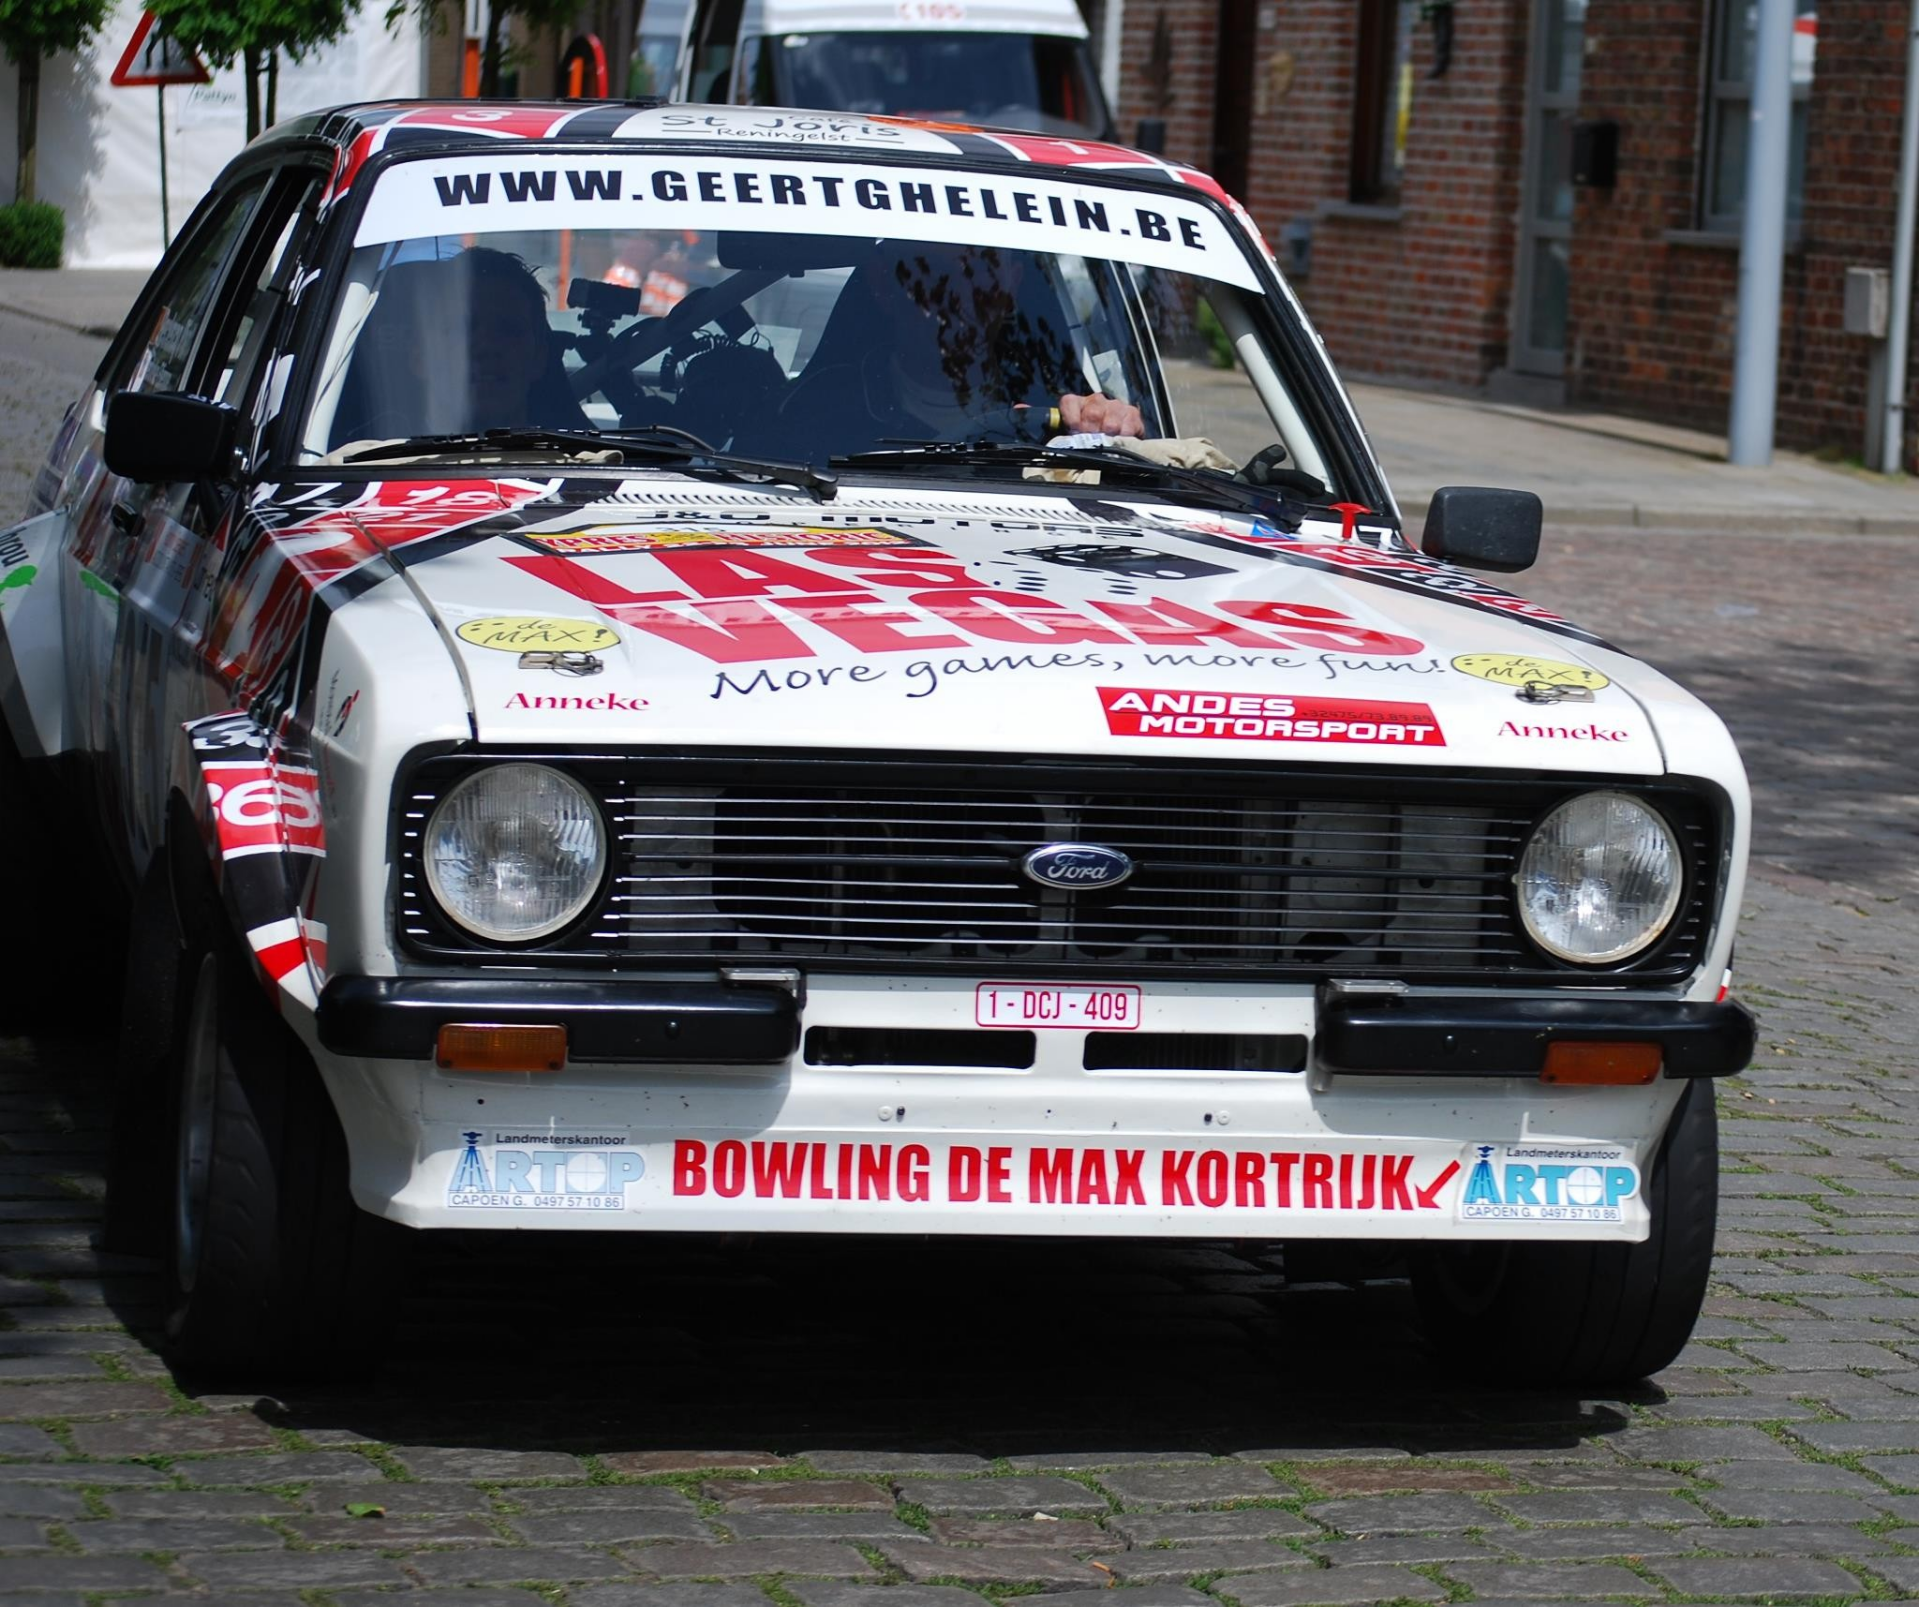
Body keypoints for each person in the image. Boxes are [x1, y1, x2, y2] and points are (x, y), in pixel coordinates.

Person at [770, 243, 1143, 459]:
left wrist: (1118, 430)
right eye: (932, 273)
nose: (959, 296)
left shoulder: (1065, 415)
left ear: (1010, 286)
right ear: (883, 284)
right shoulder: (818, 411)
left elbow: (1142, 479)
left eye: (980, 271)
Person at [331, 247, 589, 450]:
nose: (486, 346)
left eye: (508, 330)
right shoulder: (353, 465)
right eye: (462, 329)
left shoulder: (589, 463)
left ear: (540, 357)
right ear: (420, 354)